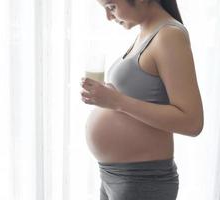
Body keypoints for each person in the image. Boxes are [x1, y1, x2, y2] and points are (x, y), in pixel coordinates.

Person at [80, 0, 204, 199]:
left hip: (142, 179)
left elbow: (192, 122)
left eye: (111, 7)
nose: (109, 17)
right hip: (114, 175)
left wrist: (118, 102)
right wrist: (111, 96)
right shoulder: (147, 33)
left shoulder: (169, 35)